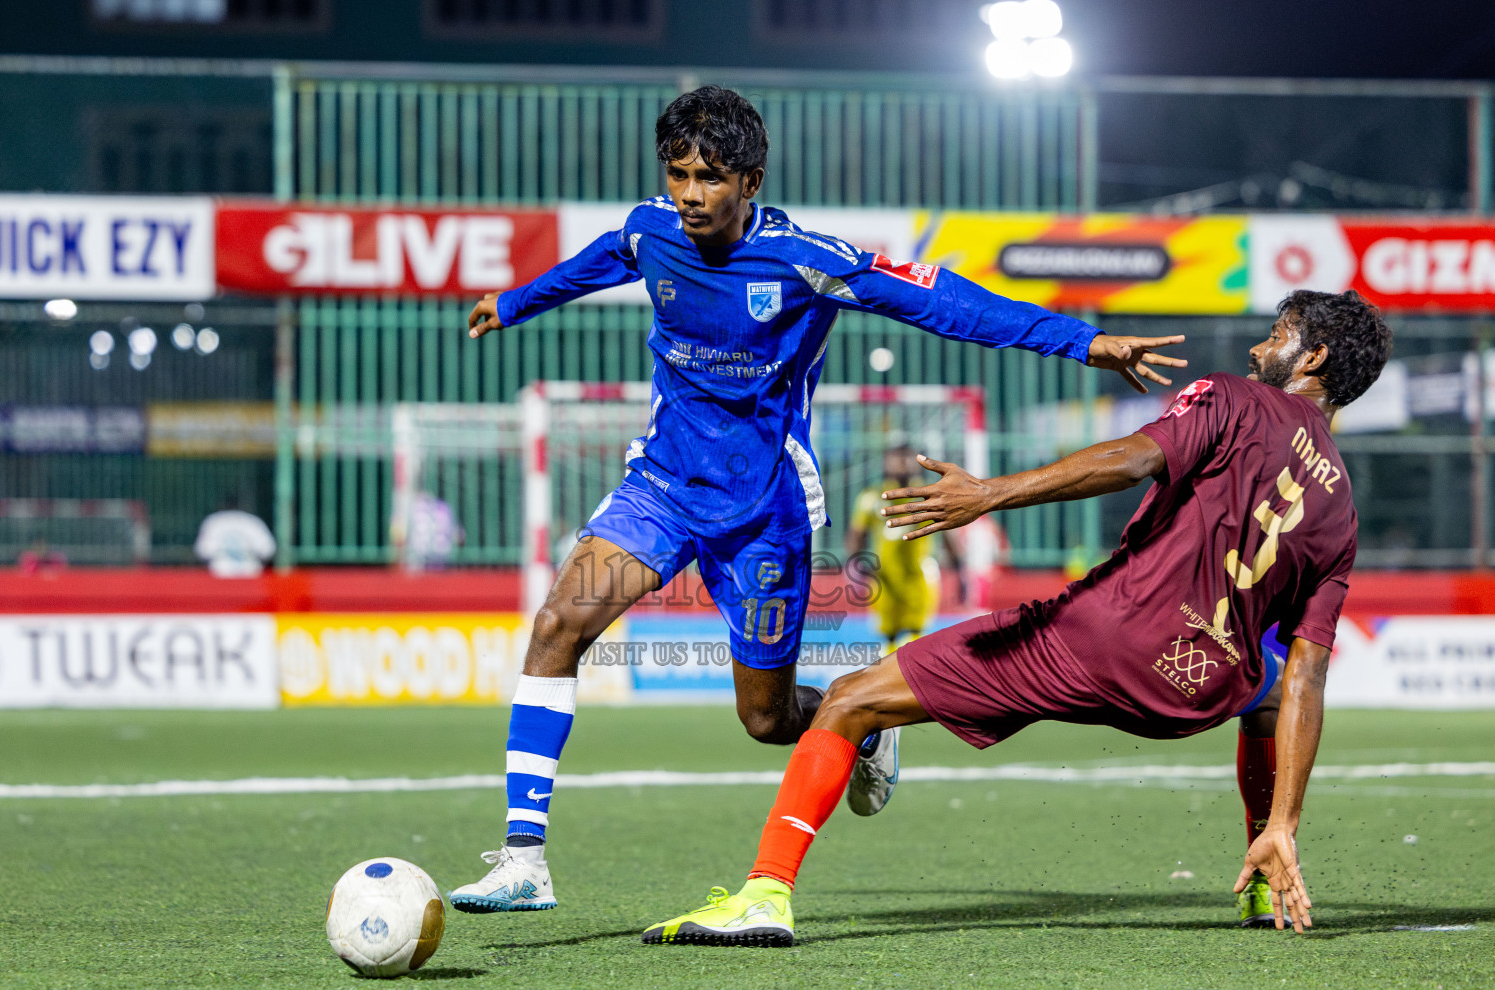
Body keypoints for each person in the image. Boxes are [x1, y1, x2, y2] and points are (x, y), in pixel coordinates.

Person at [451, 85, 1187, 914]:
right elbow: (597, 260)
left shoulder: (809, 259)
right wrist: (512, 303)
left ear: (751, 181)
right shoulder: (648, 228)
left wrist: (1082, 340)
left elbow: (944, 301)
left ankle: (866, 723)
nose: (691, 193)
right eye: (679, 173)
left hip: (766, 512)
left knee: (765, 721)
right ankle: (523, 859)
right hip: (661, 485)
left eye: (710, 177)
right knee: (557, 625)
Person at [642, 289, 1391, 946]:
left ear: (1314, 356)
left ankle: (766, 893)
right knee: (1261, 695)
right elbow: (1307, 674)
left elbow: (1133, 459)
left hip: (1100, 641)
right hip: (1199, 687)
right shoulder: (1342, 512)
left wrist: (989, 494)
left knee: (848, 701)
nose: (1262, 344)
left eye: (1280, 331)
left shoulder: (1233, 396)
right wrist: (1284, 820)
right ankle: (1263, 872)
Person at [846, 439, 967, 653]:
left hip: (920, 577)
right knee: (888, 639)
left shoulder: (931, 498)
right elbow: (857, 535)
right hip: (885, 578)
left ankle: (912, 682)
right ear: (885, 462)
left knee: (916, 638)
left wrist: (961, 573)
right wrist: (855, 566)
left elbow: (950, 536)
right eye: (896, 458)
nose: (901, 463)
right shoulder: (872, 497)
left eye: (906, 458)